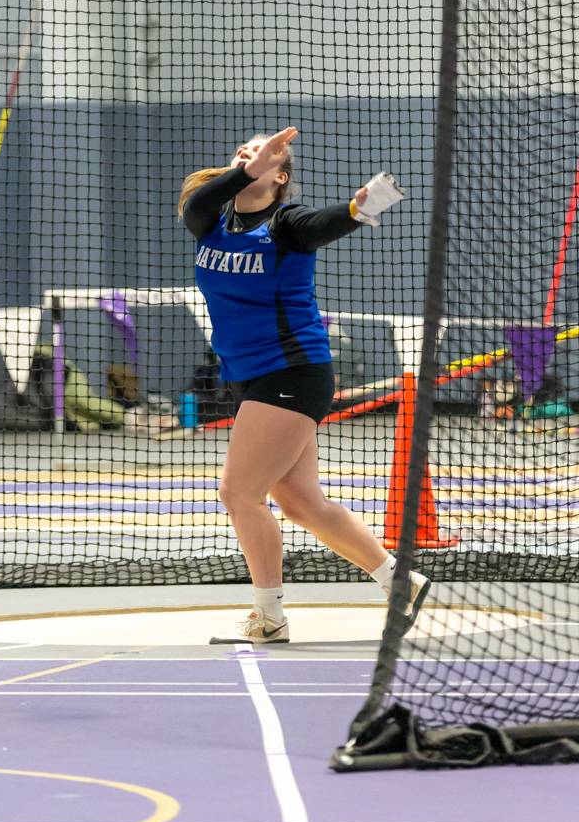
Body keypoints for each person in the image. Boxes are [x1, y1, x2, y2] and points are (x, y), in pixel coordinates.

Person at [179, 127, 429, 643]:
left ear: (281, 177)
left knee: (238, 492)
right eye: (243, 150)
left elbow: (323, 224)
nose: (250, 155)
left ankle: (268, 616)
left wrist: (359, 209)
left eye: (265, 154)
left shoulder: (285, 224)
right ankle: (399, 581)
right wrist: (246, 169)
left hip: (291, 372)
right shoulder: (211, 222)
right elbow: (200, 200)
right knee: (300, 502)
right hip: (248, 378)